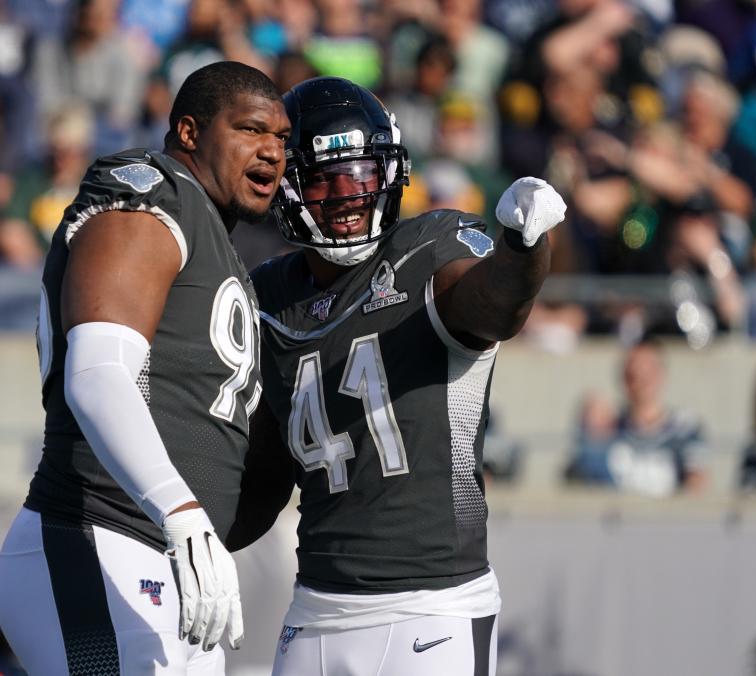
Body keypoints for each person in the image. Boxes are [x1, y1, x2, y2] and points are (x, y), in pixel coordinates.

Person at [231, 77, 566, 676]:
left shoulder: (429, 248)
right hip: (315, 607)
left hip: (431, 605)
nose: (347, 194)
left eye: (360, 173)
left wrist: (524, 247)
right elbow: (260, 474)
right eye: (324, 178)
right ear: (288, 189)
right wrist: (188, 532)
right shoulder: (268, 297)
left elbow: (494, 304)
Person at [0, 61, 290, 675]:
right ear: (189, 132)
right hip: (99, 537)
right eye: (252, 130)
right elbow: (98, 373)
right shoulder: (150, 195)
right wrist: (181, 513)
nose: (272, 152)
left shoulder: (212, 235)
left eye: (282, 139)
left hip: (168, 555)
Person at [564, 337, 709, 496]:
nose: (640, 381)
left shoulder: (684, 427)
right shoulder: (610, 428)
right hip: (616, 517)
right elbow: (577, 481)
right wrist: (591, 438)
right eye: (633, 374)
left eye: (648, 373)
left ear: (662, 375)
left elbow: (696, 481)